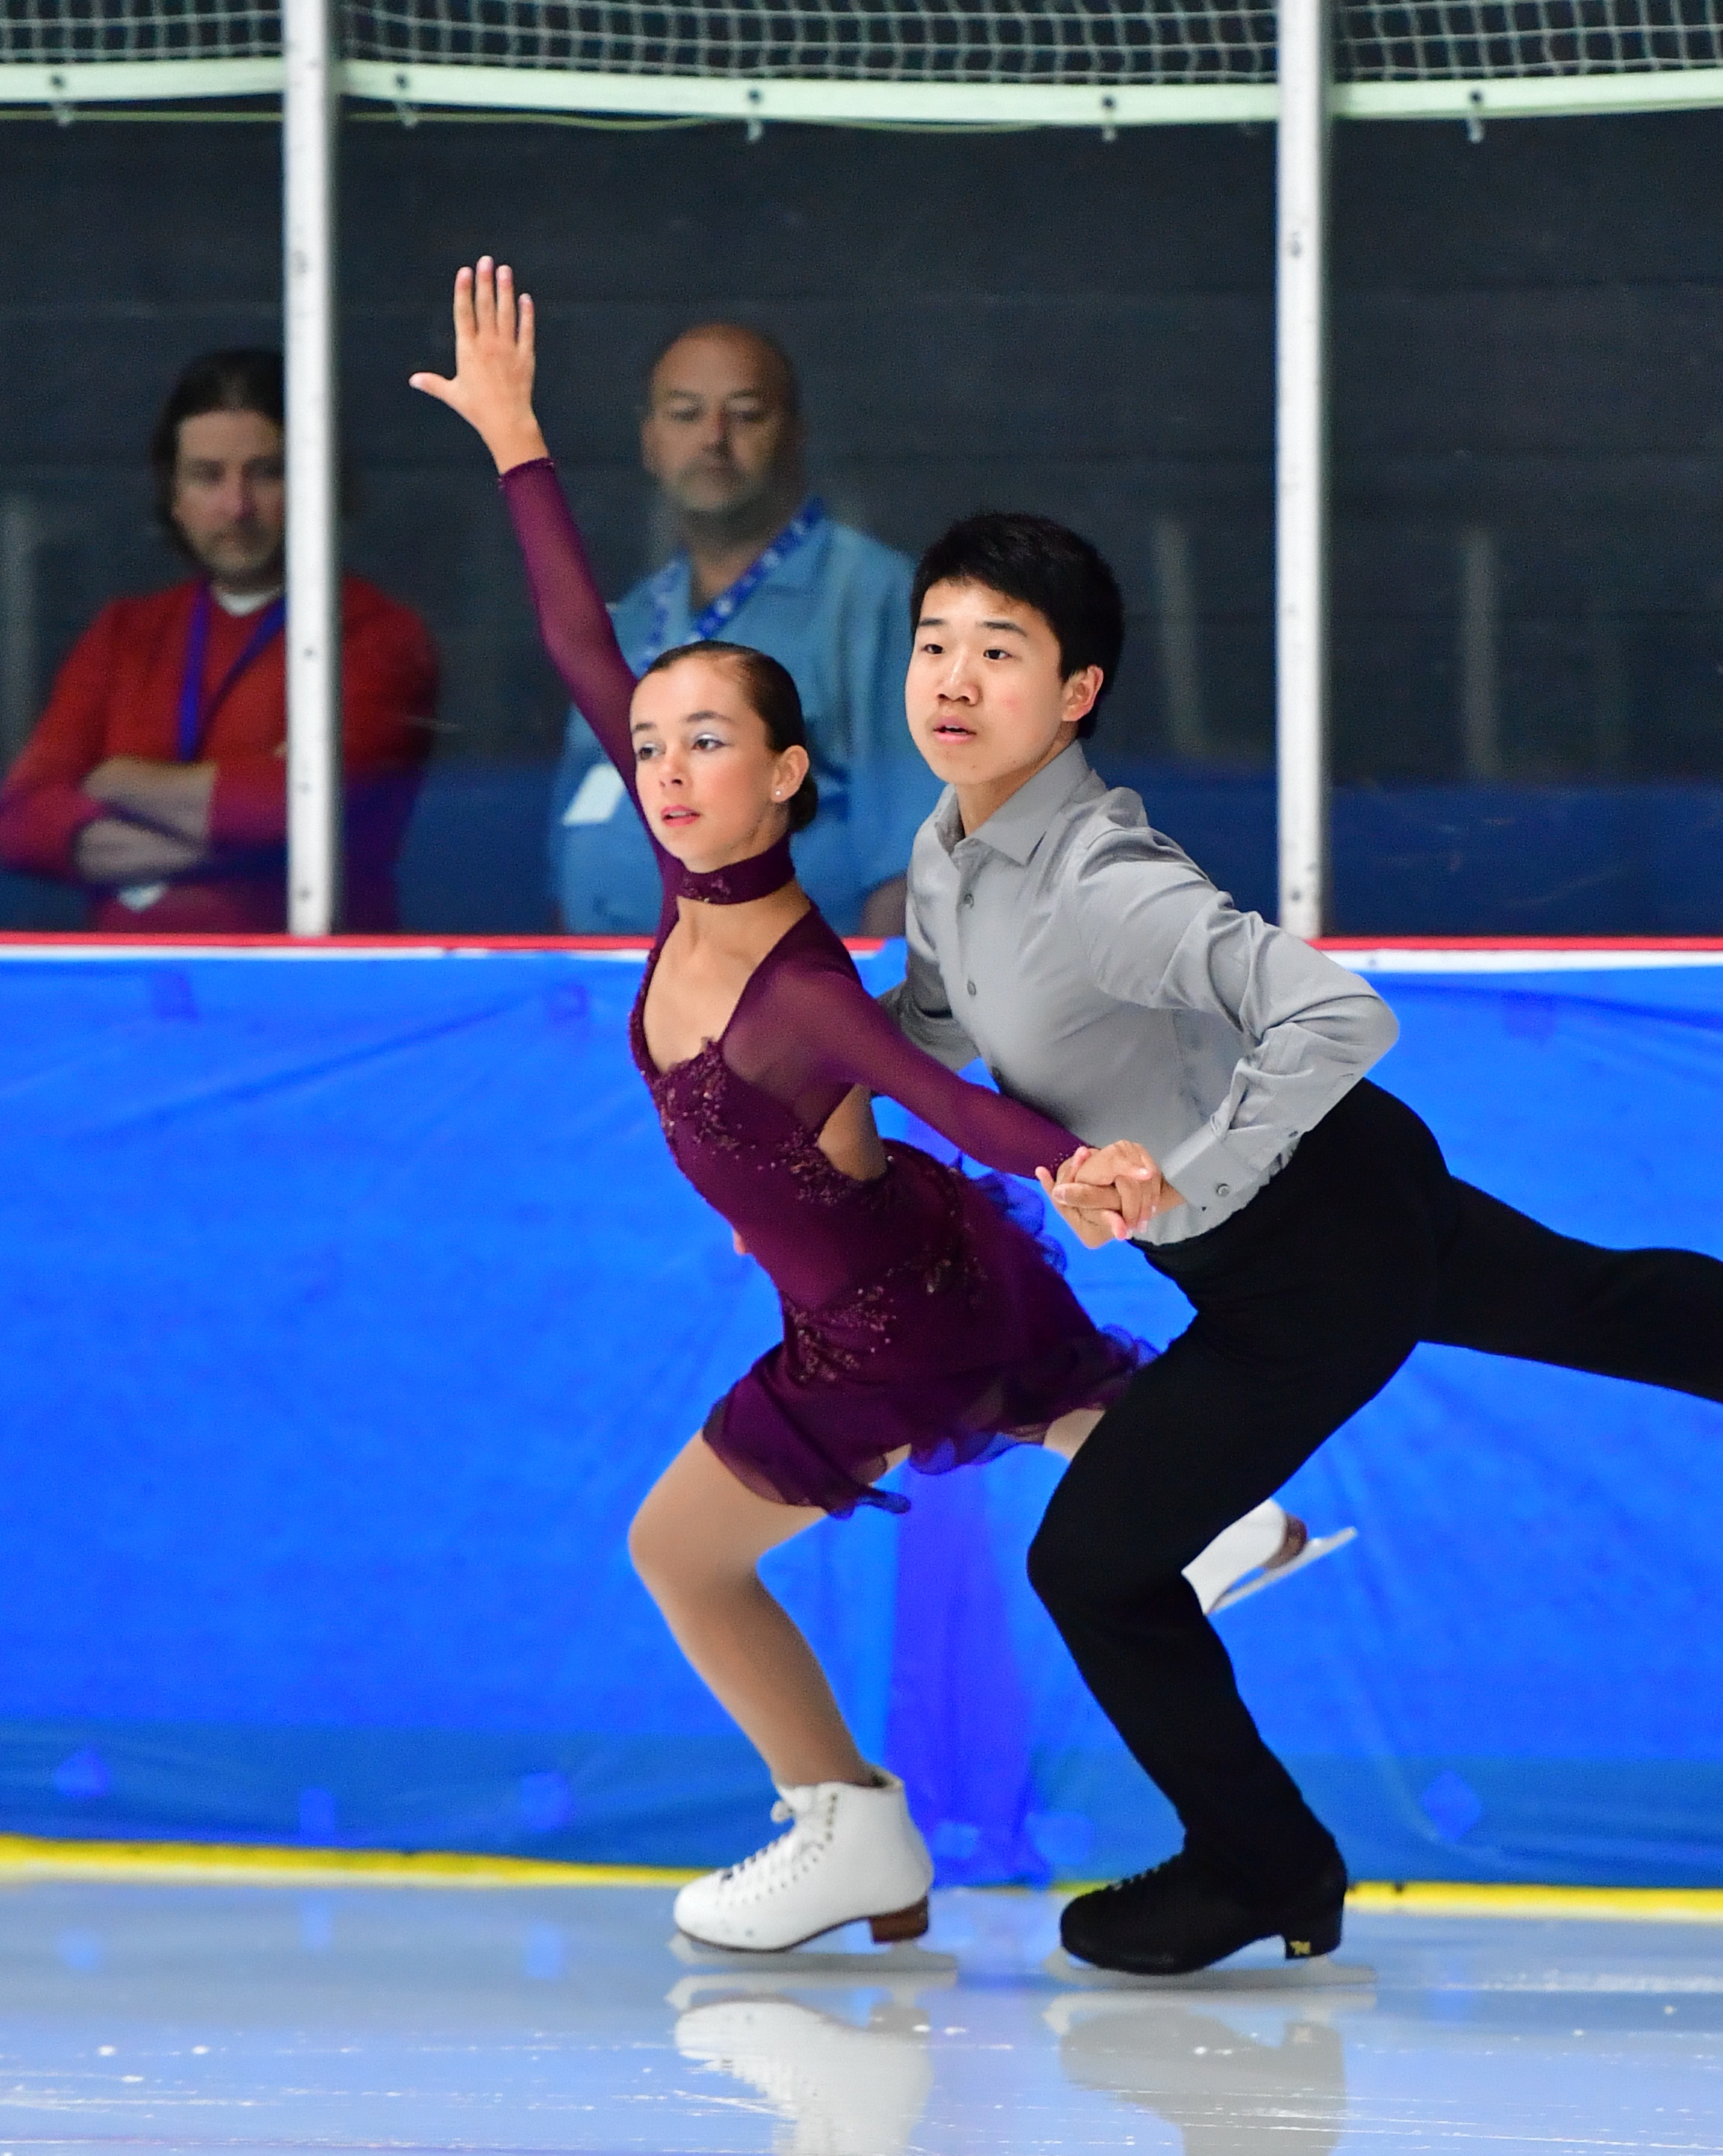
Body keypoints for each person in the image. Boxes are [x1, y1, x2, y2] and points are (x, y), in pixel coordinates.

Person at [881, 509, 1723, 1978]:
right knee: (1607, 1303)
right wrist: (780, 1039)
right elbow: (930, 1031)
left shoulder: (1101, 878)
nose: (953, 678)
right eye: (934, 643)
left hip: (1302, 1258)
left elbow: (1338, 1012)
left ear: (1076, 692)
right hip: (1346, 1196)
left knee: (1093, 1563)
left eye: (998, 650)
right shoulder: (947, 855)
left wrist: (1180, 1187)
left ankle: (1262, 1861)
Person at [411, 259, 1318, 1955]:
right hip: (918, 1254)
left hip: (878, 1319)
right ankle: (1226, 1512)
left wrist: (1086, 1163)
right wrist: (517, 439)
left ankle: (850, 1823)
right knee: (1039, 1389)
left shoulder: (802, 988)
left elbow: (945, 1098)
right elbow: (575, 641)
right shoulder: (688, 880)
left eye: (706, 744)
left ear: (786, 775)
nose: (666, 769)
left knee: (679, 1551)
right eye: (650, 745)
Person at [0, 349, 436, 933]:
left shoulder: (376, 634)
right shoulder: (123, 634)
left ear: (317, 483)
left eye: (267, 472)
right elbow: (20, 819)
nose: (237, 507)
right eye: (208, 476)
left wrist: (114, 778)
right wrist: (240, 841)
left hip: (306, 979)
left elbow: (305, 810)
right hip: (132, 983)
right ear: (174, 497)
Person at [549, 322, 936, 937]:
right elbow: (580, 817)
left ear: (795, 434)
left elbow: (912, 856)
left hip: (783, 985)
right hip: (603, 981)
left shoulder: (872, 595)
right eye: (685, 414)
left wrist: (867, 992)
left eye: (747, 414)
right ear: (650, 441)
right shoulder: (636, 614)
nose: (714, 438)